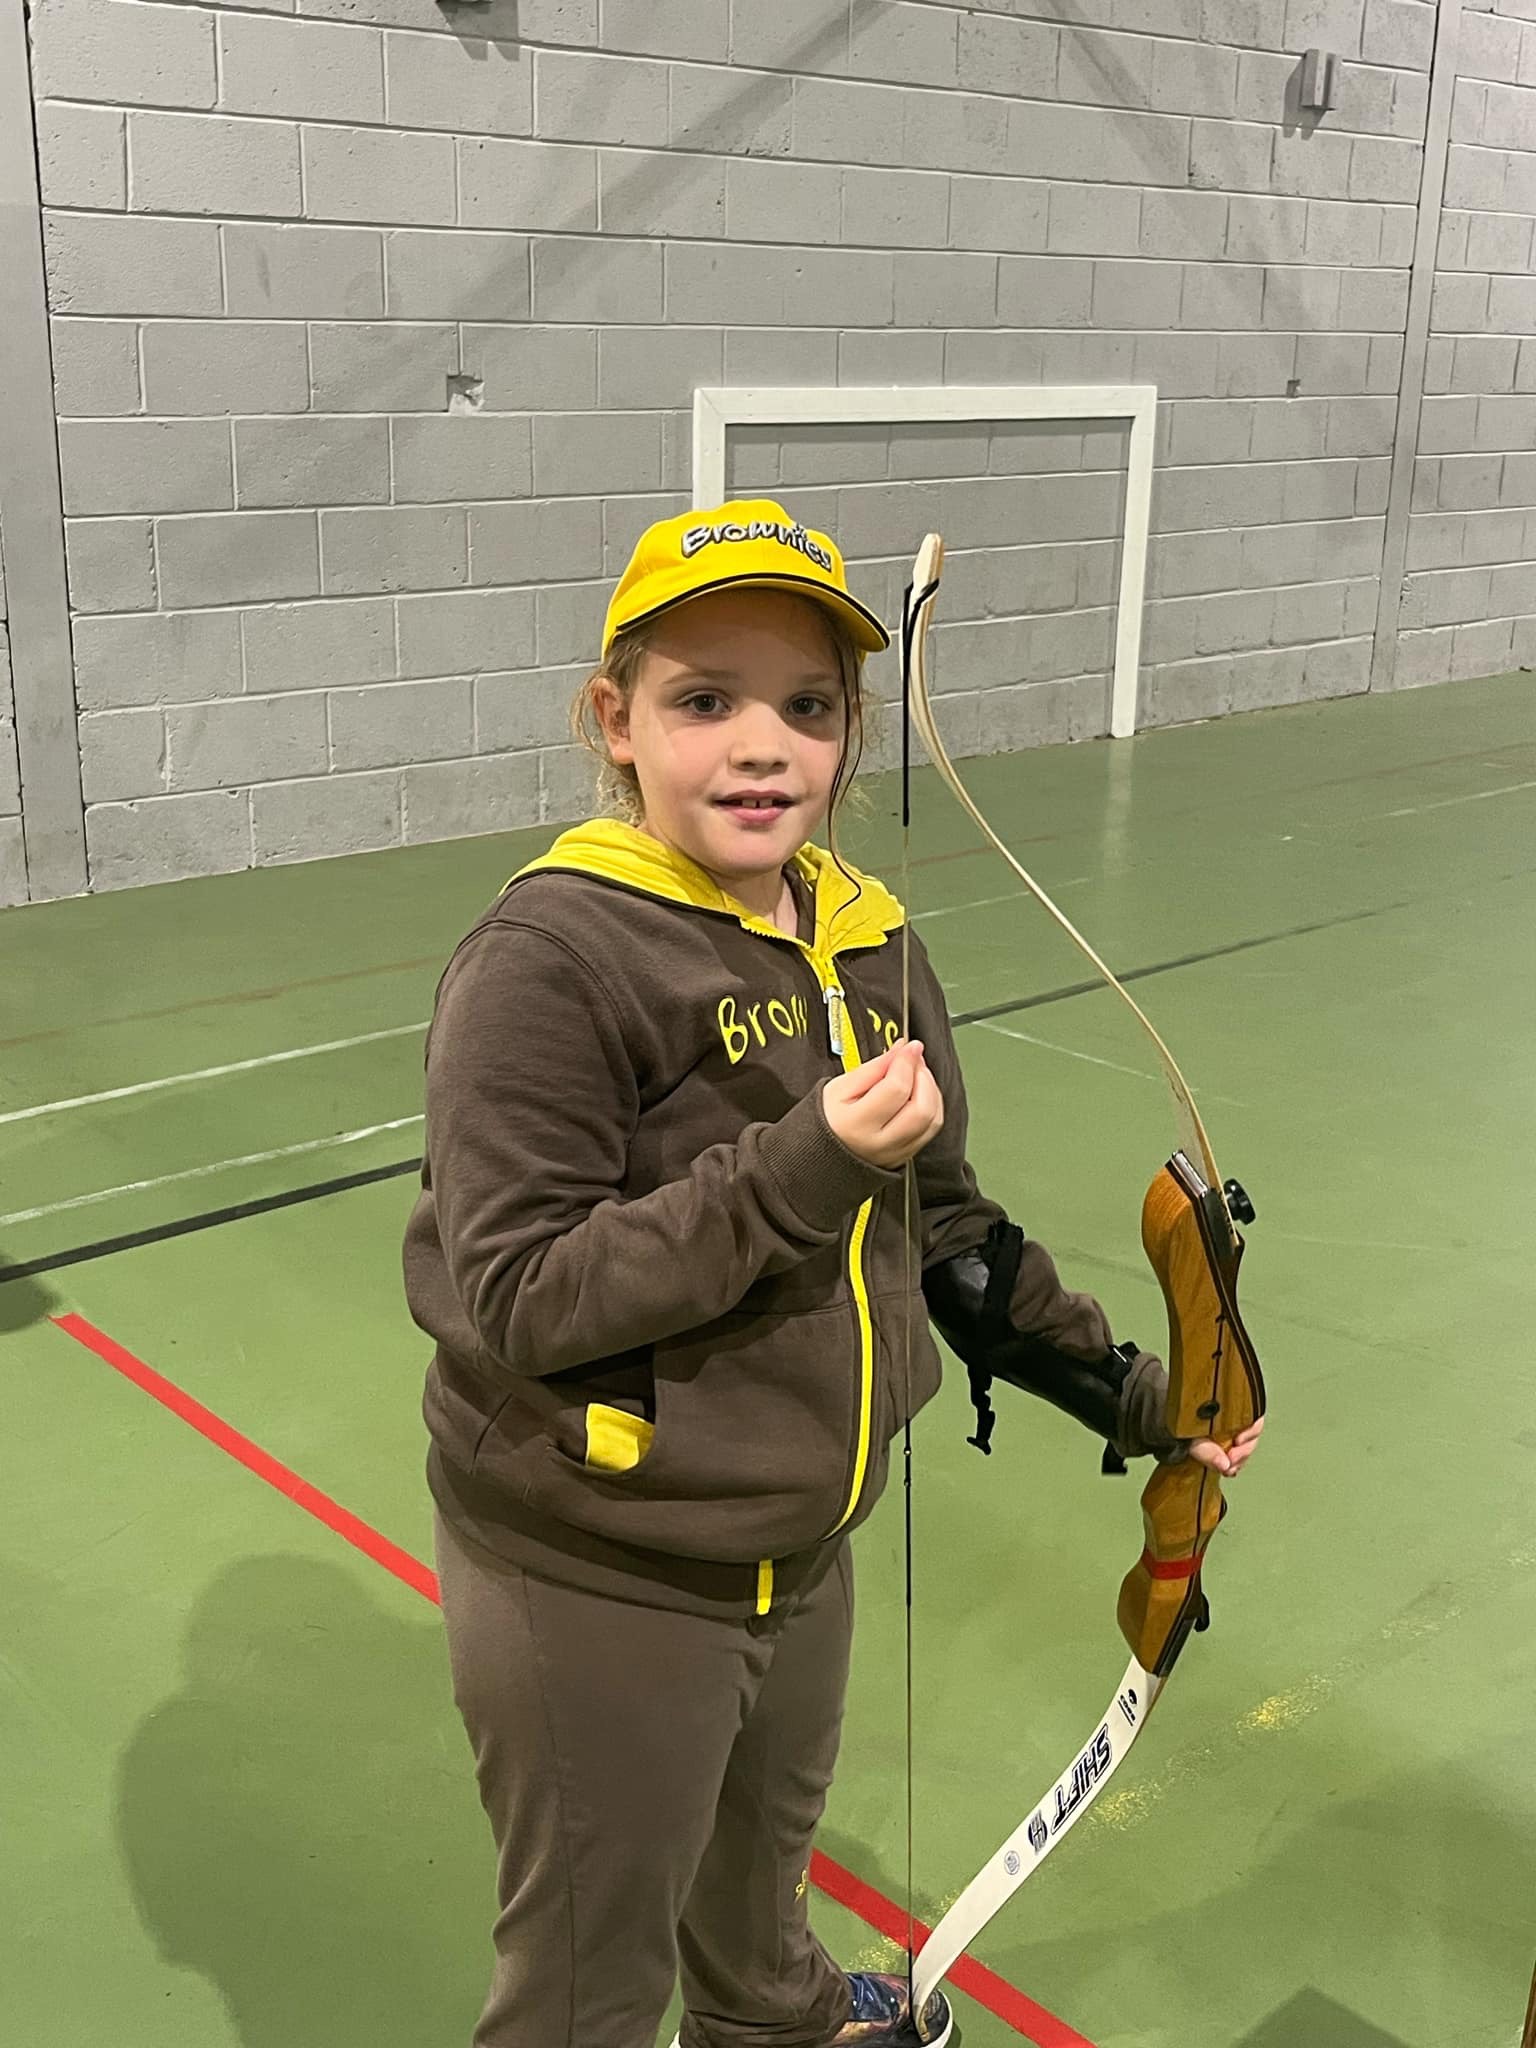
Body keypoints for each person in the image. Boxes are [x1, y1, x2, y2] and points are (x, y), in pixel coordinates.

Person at [403, 499, 1263, 2048]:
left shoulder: (869, 940)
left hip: (797, 1547)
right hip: (600, 1569)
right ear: (614, 721)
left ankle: (781, 2027)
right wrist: (804, 1164)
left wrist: (1142, 1399)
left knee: (757, 1900)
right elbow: (525, 1293)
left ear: (851, 731)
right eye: (703, 701)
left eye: (807, 707)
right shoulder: (551, 960)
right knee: (589, 1981)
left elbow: (946, 1229)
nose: (763, 747)